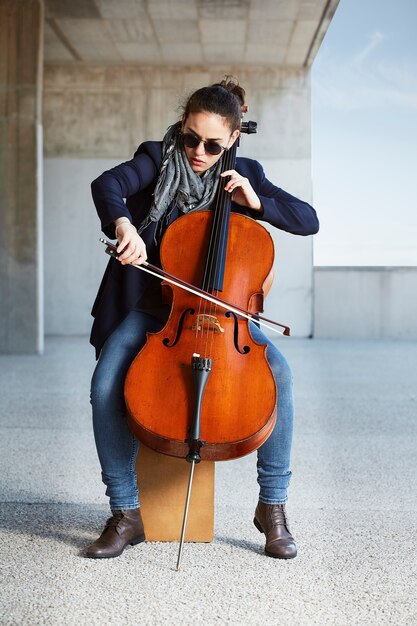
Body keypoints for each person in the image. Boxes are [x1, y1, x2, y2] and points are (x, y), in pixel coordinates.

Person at [87, 78, 319, 560]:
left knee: (281, 377)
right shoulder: (156, 157)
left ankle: (272, 507)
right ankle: (126, 513)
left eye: (213, 144)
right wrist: (125, 224)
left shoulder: (247, 171)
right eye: (190, 137)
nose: (197, 150)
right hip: (157, 309)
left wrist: (256, 202)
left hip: (226, 312)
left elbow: (307, 218)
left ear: (234, 137)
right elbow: (108, 185)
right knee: (105, 383)